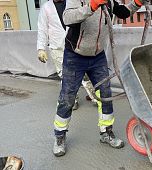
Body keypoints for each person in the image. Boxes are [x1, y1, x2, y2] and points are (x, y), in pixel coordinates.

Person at [52, 0, 146, 157]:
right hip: (75, 55)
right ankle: (60, 136)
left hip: (97, 56)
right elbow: (67, 18)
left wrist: (136, 3)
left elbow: (122, 12)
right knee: (67, 97)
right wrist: (91, 6)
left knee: (105, 93)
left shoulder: (108, 2)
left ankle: (106, 132)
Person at [37, 0, 98, 111]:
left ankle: (95, 97)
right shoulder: (46, 8)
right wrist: (41, 48)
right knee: (65, 76)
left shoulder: (72, 2)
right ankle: (71, 101)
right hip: (57, 47)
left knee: (84, 73)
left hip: (74, 43)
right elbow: (42, 29)